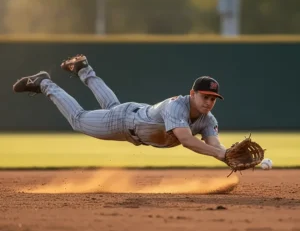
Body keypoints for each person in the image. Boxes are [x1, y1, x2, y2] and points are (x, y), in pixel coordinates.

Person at [13, 54, 227, 162]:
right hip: (124, 123)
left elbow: (215, 144)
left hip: (134, 116)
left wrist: (229, 154)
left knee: (113, 106)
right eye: (205, 96)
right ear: (193, 94)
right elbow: (187, 140)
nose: (208, 102)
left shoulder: (208, 119)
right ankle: (44, 83)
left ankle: (83, 69)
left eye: (213, 99)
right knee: (78, 119)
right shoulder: (176, 106)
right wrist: (221, 156)